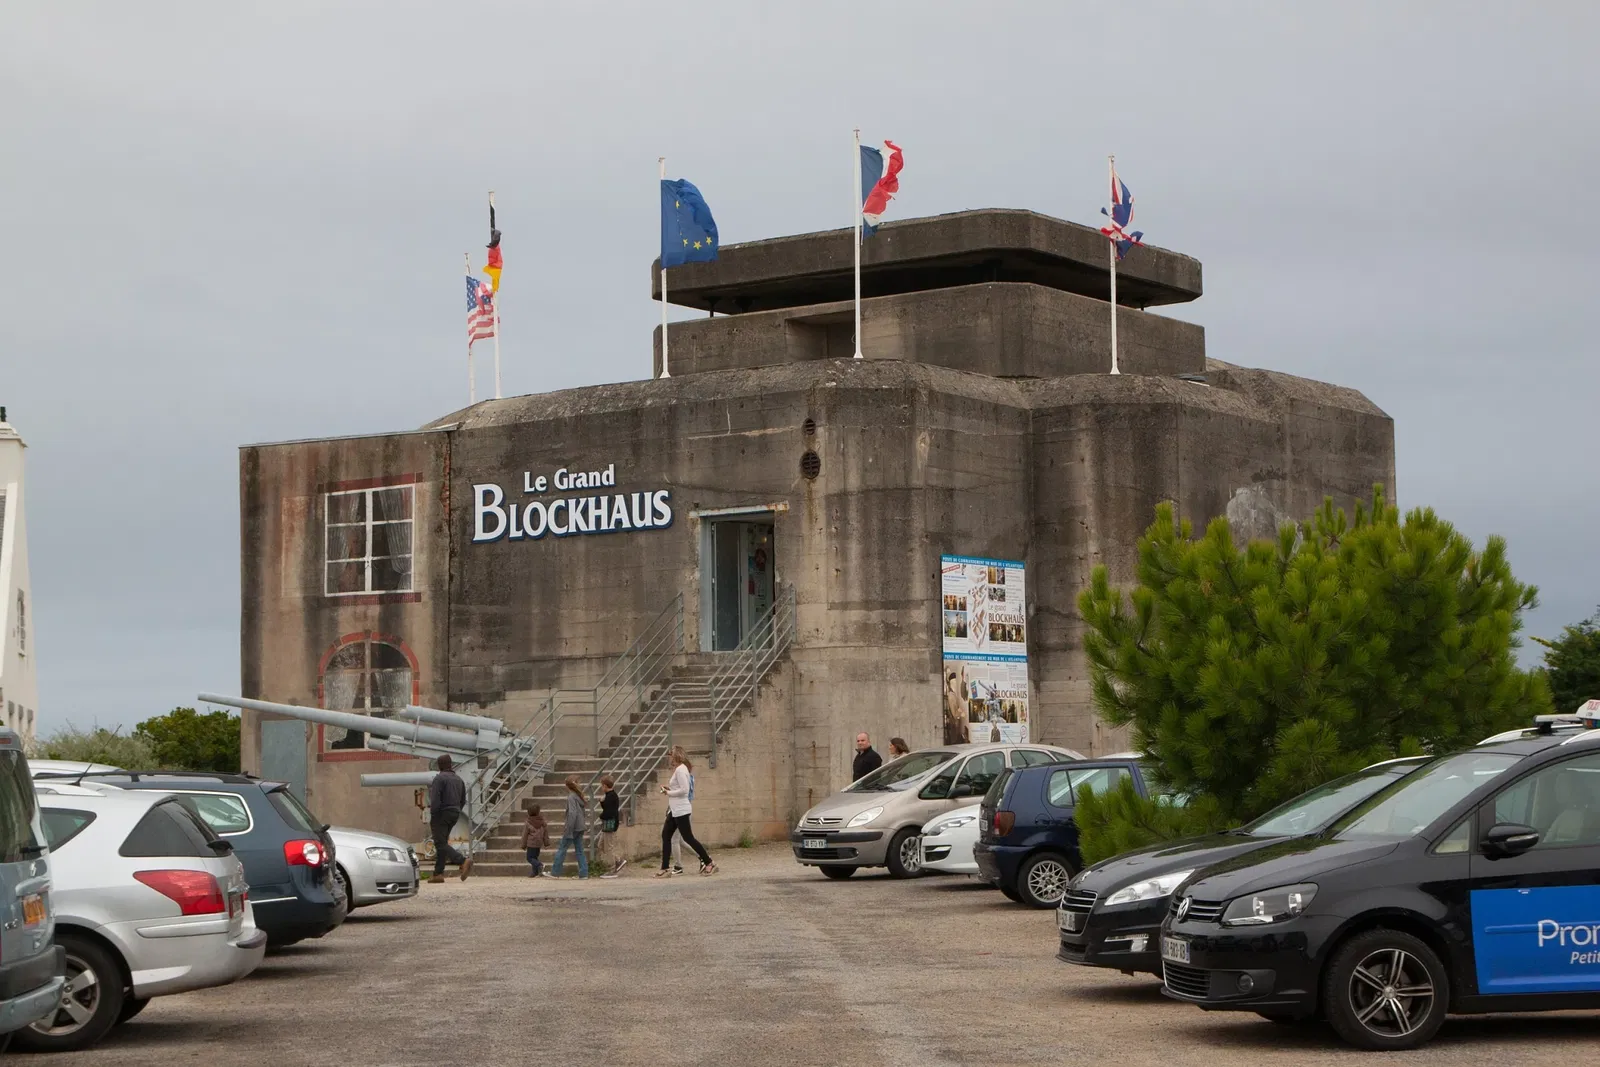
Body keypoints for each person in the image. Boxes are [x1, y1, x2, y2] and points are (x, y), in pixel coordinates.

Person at [657, 750, 715, 876]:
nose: (669, 758)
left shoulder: (681, 770)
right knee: (666, 835)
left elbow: (684, 790)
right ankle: (665, 868)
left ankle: (708, 862)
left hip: (681, 810)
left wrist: (669, 793)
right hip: (675, 810)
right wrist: (670, 788)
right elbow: (680, 788)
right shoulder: (680, 769)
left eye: (671, 755)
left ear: (676, 756)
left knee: (688, 838)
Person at [427, 754, 472, 883]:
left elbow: (435, 800)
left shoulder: (439, 779)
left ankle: (463, 861)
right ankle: (438, 874)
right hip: (455, 813)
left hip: (441, 814)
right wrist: (456, 809)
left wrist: (434, 815)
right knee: (442, 842)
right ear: (451, 764)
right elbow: (463, 799)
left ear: (440, 765)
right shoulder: (459, 779)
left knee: (440, 843)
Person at [551, 776, 589, 878]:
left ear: (567, 786)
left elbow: (572, 813)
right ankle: (584, 873)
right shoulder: (578, 796)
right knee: (580, 850)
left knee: (562, 849)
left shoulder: (571, 797)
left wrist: (569, 829)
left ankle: (555, 872)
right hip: (580, 826)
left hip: (573, 827)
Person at [597, 775, 626, 878]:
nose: (601, 787)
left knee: (608, 847)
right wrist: (602, 803)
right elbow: (607, 808)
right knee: (601, 845)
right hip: (607, 824)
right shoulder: (609, 795)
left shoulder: (611, 796)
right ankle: (618, 860)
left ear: (605, 785)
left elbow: (609, 812)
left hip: (610, 823)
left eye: (602, 785)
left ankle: (612, 868)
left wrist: (601, 815)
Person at [522, 804, 550, 877]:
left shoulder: (528, 822)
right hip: (539, 843)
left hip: (531, 843)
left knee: (529, 858)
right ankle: (535, 872)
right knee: (534, 857)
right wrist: (546, 843)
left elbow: (525, 835)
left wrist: (523, 845)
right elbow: (546, 833)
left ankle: (539, 865)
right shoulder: (542, 822)